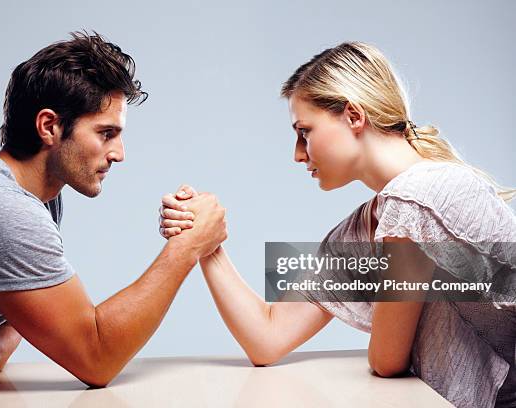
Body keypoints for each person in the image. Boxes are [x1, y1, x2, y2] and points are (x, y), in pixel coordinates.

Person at [159, 42, 516, 407]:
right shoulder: (367, 226)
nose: (298, 154)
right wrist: (204, 241)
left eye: (305, 132)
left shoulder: (417, 197)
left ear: (353, 116)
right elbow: (267, 337)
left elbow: (386, 361)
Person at [0, 31, 227, 389]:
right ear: (50, 127)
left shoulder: (34, 192)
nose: (120, 153)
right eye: (106, 133)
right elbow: (96, 359)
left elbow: (25, 319)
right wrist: (187, 247)